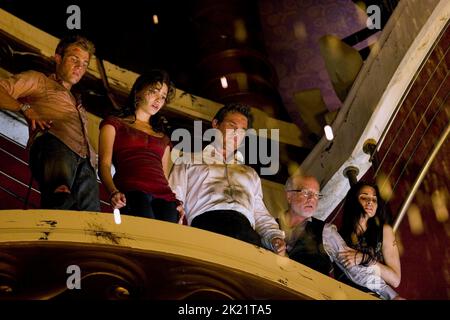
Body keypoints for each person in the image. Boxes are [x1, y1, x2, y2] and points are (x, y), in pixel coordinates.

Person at [168, 103, 286, 254]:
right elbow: (173, 196)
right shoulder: (188, 160)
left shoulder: (249, 173)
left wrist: (274, 236)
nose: (237, 134)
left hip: (246, 232)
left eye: (242, 131)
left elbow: (259, 212)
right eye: (232, 126)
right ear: (215, 124)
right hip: (205, 225)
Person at [0, 34, 100, 211]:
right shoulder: (39, 80)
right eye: (74, 59)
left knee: (92, 221)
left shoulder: (78, 102)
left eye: (84, 64)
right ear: (58, 58)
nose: (79, 67)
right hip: (54, 145)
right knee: (60, 199)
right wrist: (24, 108)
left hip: (87, 162)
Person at [278, 174, 400, 299]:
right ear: (289, 196)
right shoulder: (267, 226)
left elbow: (358, 272)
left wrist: (391, 295)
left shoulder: (326, 232)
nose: (312, 199)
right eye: (305, 192)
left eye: (316, 195)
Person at [98, 70, 182, 223]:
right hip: (132, 191)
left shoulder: (164, 138)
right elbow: (103, 164)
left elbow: (163, 177)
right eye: (153, 92)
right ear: (138, 92)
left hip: (165, 197)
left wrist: (177, 203)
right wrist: (113, 192)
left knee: (165, 241)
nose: (158, 99)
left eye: (163, 97)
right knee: (144, 234)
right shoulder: (114, 124)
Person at [336, 181, 401, 291]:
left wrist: (366, 259)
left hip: (373, 295)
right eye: (364, 198)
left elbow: (395, 280)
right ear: (353, 201)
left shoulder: (384, 231)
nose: (370, 202)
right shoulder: (338, 234)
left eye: (374, 199)